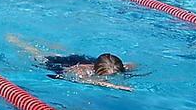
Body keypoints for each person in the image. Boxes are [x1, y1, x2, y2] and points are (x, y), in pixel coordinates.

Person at [8, 34, 136, 90]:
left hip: (85, 59)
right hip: (62, 65)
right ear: (97, 70)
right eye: (107, 76)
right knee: (38, 55)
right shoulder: (80, 71)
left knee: (63, 52)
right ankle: (17, 41)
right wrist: (112, 85)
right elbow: (84, 80)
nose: (110, 78)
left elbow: (133, 65)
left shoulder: (116, 67)